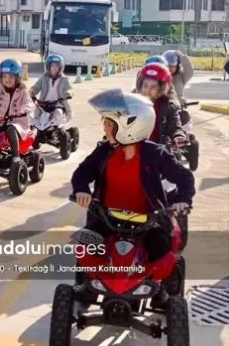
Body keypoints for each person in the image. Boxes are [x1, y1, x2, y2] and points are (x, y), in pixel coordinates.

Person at [71, 89, 194, 306]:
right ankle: (87, 283)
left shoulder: (154, 153)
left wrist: (183, 199)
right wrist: (81, 189)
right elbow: (83, 171)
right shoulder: (104, 150)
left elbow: (184, 177)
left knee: (163, 248)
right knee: (86, 243)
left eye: (110, 124)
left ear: (130, 127)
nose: (105, 128)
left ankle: (162, 290)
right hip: (107, 217)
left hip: (148, 219)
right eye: (105, 123)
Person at [135, 62, 186, 145]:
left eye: (153, 87)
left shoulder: (168, 108)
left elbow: (175, 126)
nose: (148, 90)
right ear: (140, 85)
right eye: (145, 85)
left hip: (158, 151)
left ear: (161, 89)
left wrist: (178, 135)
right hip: (133, 151)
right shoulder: (132, 104)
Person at [29, 53, 73, 123]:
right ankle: (33, 131)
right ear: (48, 67)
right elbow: (36, 88)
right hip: (43, 104)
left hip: (57, 104)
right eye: (52, 66)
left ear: (60, 67)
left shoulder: (65, 79)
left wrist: (68, 93)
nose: (54, 68)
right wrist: (31, 92)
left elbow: (70, 88)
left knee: (58, 114)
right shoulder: (43, 78)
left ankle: (59, 132)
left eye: (57, 66)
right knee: (32, 114)